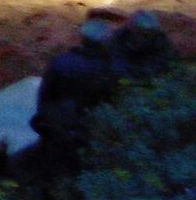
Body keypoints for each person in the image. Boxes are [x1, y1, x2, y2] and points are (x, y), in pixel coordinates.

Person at [33, 16, 122, 174]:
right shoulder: (109, 68)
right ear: (104, 42)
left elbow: (45, 97)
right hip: (90, 131)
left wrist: (48, 121)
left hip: (58, 126)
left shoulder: (60, 62)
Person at [112, 9, 177, 82]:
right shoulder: (118, 39)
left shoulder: (160, 41)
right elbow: (116, 63)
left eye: (149, 35)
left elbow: (164, 62)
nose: (145, 38)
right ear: (132, 31)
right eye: (142, 34)